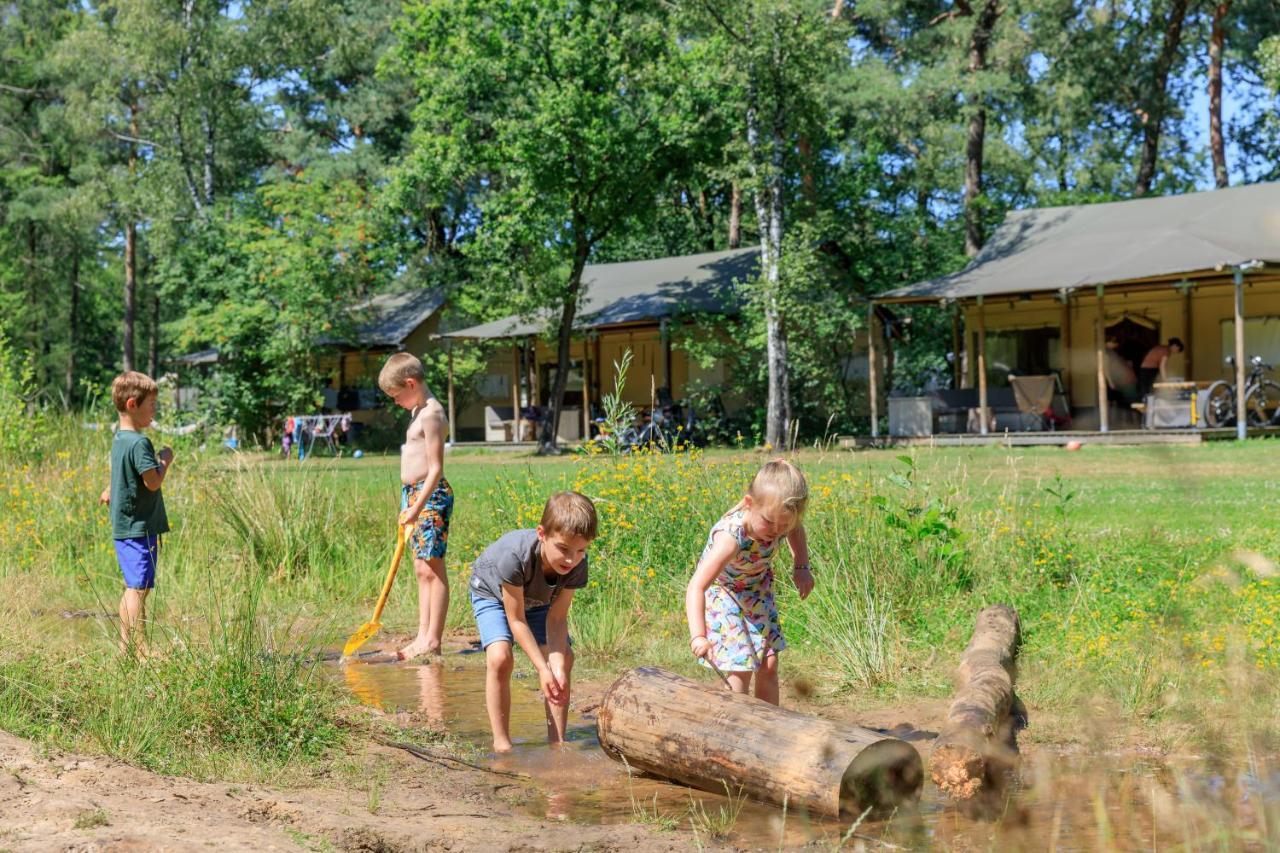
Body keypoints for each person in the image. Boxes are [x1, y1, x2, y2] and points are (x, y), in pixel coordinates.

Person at [468, 491, 597, 752]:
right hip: (492, 591)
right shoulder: (514, 557)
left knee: (564, 660)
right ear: (542, 534)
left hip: (537, 599)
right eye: (563, 549)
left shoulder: (576, 566)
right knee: (500, 657)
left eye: (581, 550)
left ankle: (557, 742)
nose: (571, 559)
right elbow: (516, 620)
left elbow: (558, 618)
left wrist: (556, 665)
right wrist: (542, 668)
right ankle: (502, 743)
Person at [685, 459, 814, 705]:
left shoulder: (780, 519)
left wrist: (802, 567)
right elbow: (696, 586)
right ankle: (733, 726)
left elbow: (796, 530)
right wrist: (698, 636)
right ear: (748, 503)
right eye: (769, 522)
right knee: (738, 666)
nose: (777, 531)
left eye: (783, 525)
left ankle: (767, 725)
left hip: (756, 591)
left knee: (769, 662)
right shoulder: (731, 538)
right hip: (724, 593)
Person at [379, 352, 453, 661]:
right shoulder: (417, 412)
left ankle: (432, 639)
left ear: (411, 383)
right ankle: (422, 635)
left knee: (433, 567)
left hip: (429, 496)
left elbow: (435, 468)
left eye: (396, 395)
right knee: (421, 568)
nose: (395, 402)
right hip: (413, 496)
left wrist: (417, 505)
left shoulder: (431, 414)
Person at [98, 371, 173, 656]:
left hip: (128, 527)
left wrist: (109, 489)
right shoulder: (140, 443)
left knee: (134, 587)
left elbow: (121, 473)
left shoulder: (121, 439)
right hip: (138, 528)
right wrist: (165, 461)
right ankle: (141, 650)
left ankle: (125, 647)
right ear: (132, 404)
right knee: (137, 590)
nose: (155, 409)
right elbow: (152, 482)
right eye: (152, 404)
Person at [1104, 337, 1139, 406]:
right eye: (1115, 344)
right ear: (1110, 342)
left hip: (1118, 378)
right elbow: (1105, 368)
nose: (1116, 346)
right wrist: (1110, 381)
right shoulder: (1106, 352)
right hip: (1113, 378)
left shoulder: (1111, 352)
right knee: (1112, 398)